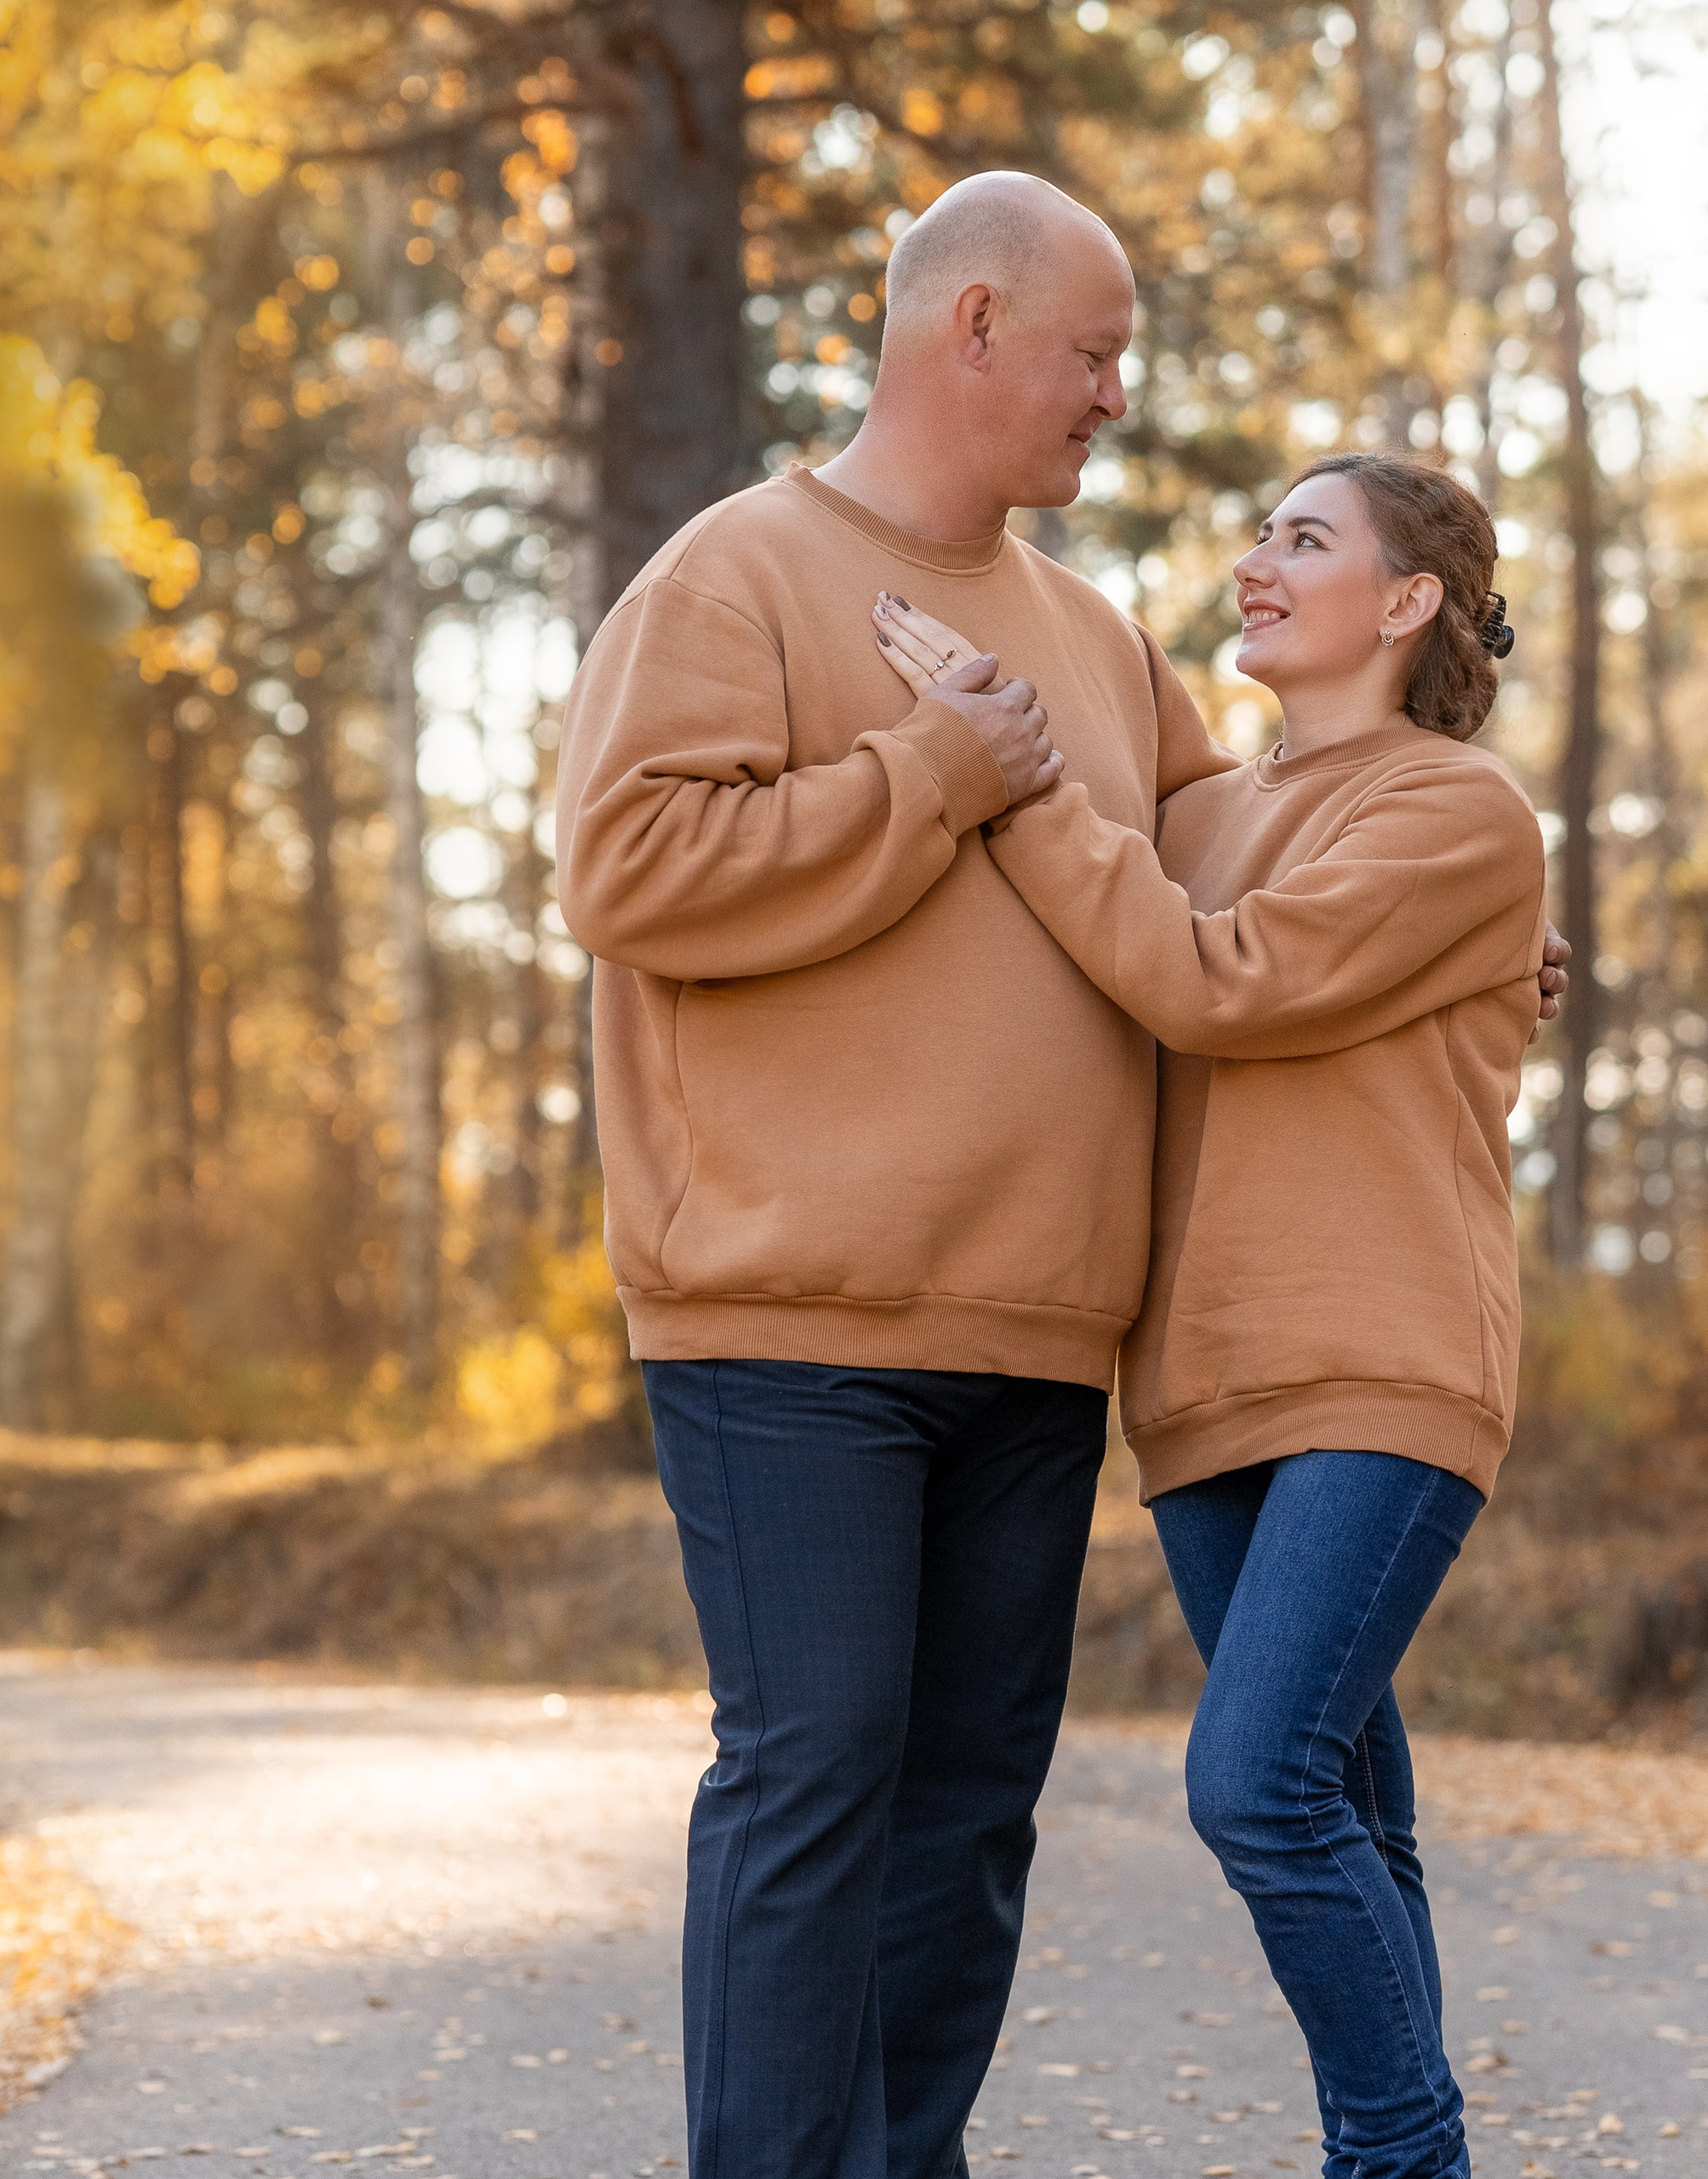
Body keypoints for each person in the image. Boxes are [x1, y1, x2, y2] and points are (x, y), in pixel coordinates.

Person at [557, 163, 1566, 2177]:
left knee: (961, 1814)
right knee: (816, 1773)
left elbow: (1243, 861)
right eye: (1096, 351)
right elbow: (627, 869)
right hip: (792, 1312)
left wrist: (1479, 923)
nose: (1116, 393)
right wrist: (927, 776)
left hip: (1046, 1339)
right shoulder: (736, 574)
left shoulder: (1101, 645)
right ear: (976, 328)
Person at [869, 452, 1545, 2179]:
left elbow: (1208, 981)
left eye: (1301, 540)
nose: (1253, 562)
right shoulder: (1200, 815)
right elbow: (1120, 910)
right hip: (1200, 1385)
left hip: (1383, 1363)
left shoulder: (1454, 811)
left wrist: (1008, 780)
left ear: (1406, 603)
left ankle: (1401, 2155)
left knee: (1252, 1784)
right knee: (1350, 1810)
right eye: (1257, 533)